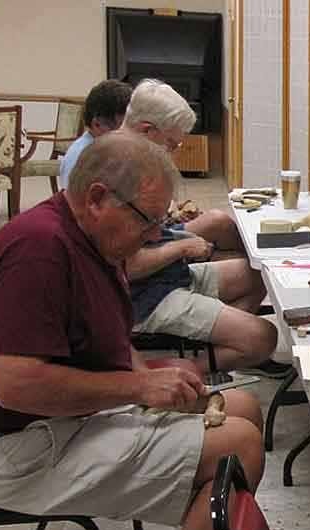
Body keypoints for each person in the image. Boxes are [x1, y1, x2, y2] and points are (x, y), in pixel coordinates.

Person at [0, 131, 265, 530]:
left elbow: (105, 342)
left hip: (60, 421)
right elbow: (16, 386)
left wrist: (152, 376)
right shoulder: (40, 250)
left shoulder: (95, 242)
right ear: (97, 198)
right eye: (148, 219)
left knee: (242, 408)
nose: (156, 235)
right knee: (238, 445)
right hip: (17, 448)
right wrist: (138, 387)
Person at [122, 79, 287, 377]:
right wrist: (182, 247)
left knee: (258, 273)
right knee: (263, 337)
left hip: (166, 275)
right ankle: (182, 373)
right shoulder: (117, 175)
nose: (174, 152)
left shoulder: (136, 161)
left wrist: (172, 227)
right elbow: (127, 268)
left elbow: (150, 236)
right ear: (146, 131)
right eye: (171, 144)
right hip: (144, 297)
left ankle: (221, 345)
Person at [59, 79, 134, 190]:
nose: (130, 134)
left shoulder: (103, 149)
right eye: (122, 127)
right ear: (97, 125)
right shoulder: (82, 159)